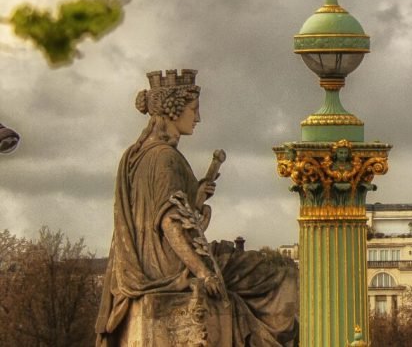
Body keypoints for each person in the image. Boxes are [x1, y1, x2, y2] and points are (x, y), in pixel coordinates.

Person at [96, 69, 297, 346]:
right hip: (171, 267)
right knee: (280, 274)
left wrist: (197, 198)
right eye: (193, 109)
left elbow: (164, 218)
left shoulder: (136, 155)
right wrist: (204, 272)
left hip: (153, 264)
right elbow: (169, 223)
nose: (198, 117)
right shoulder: (165, 158)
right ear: (174, 109)